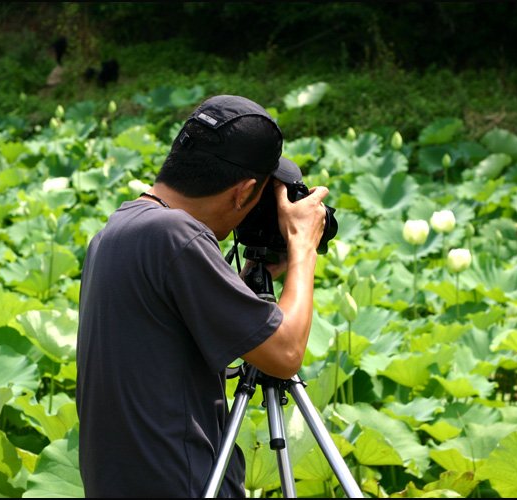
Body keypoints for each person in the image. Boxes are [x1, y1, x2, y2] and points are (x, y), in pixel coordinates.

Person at [76, 95, 329, 498]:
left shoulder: (117, 230)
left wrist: (249, 281)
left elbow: (178, 337)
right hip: (185, 485)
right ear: (244, 192)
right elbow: (284, 355)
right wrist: (302, 247)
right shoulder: (176, 237)